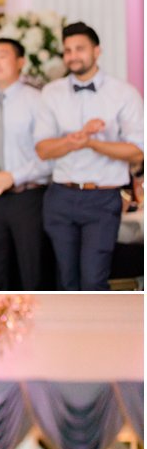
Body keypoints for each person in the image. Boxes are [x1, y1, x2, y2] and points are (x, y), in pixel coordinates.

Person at [36, 21, 145, 289]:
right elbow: (43, 149)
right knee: (65, 279)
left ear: (97, 51)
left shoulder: (123, 93)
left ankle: (98, 331)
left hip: (102, 198)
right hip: (61, 196)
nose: (73, 56)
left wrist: (92, 143)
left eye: (80, 49)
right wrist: (76, 140)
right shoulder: (52, 92)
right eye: (68, 50)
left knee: (93, 278)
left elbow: (137, 151)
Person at [0, 38, 54, 290]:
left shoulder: (38, 101)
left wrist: (14, 176)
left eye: (2, 56)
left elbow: (49, 155)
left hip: (28, 198)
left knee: (32, 274)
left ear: (21, 62)